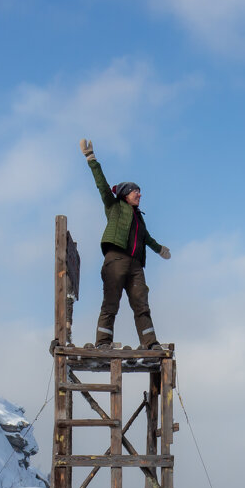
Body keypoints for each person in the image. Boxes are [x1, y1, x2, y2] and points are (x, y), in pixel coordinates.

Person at [79, 138, 171, 350]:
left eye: (139, 191)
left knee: (142, 304)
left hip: (136, 265)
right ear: (125, 194)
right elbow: (102, 185)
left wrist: (160, 250)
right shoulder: (114, 207)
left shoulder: (139, 218)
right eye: (135, 191)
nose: (139, 194)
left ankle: (150, 343)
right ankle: (103, 343)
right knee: (111, 302)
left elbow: (146, 237)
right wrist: (91, 158)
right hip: (117, 258)